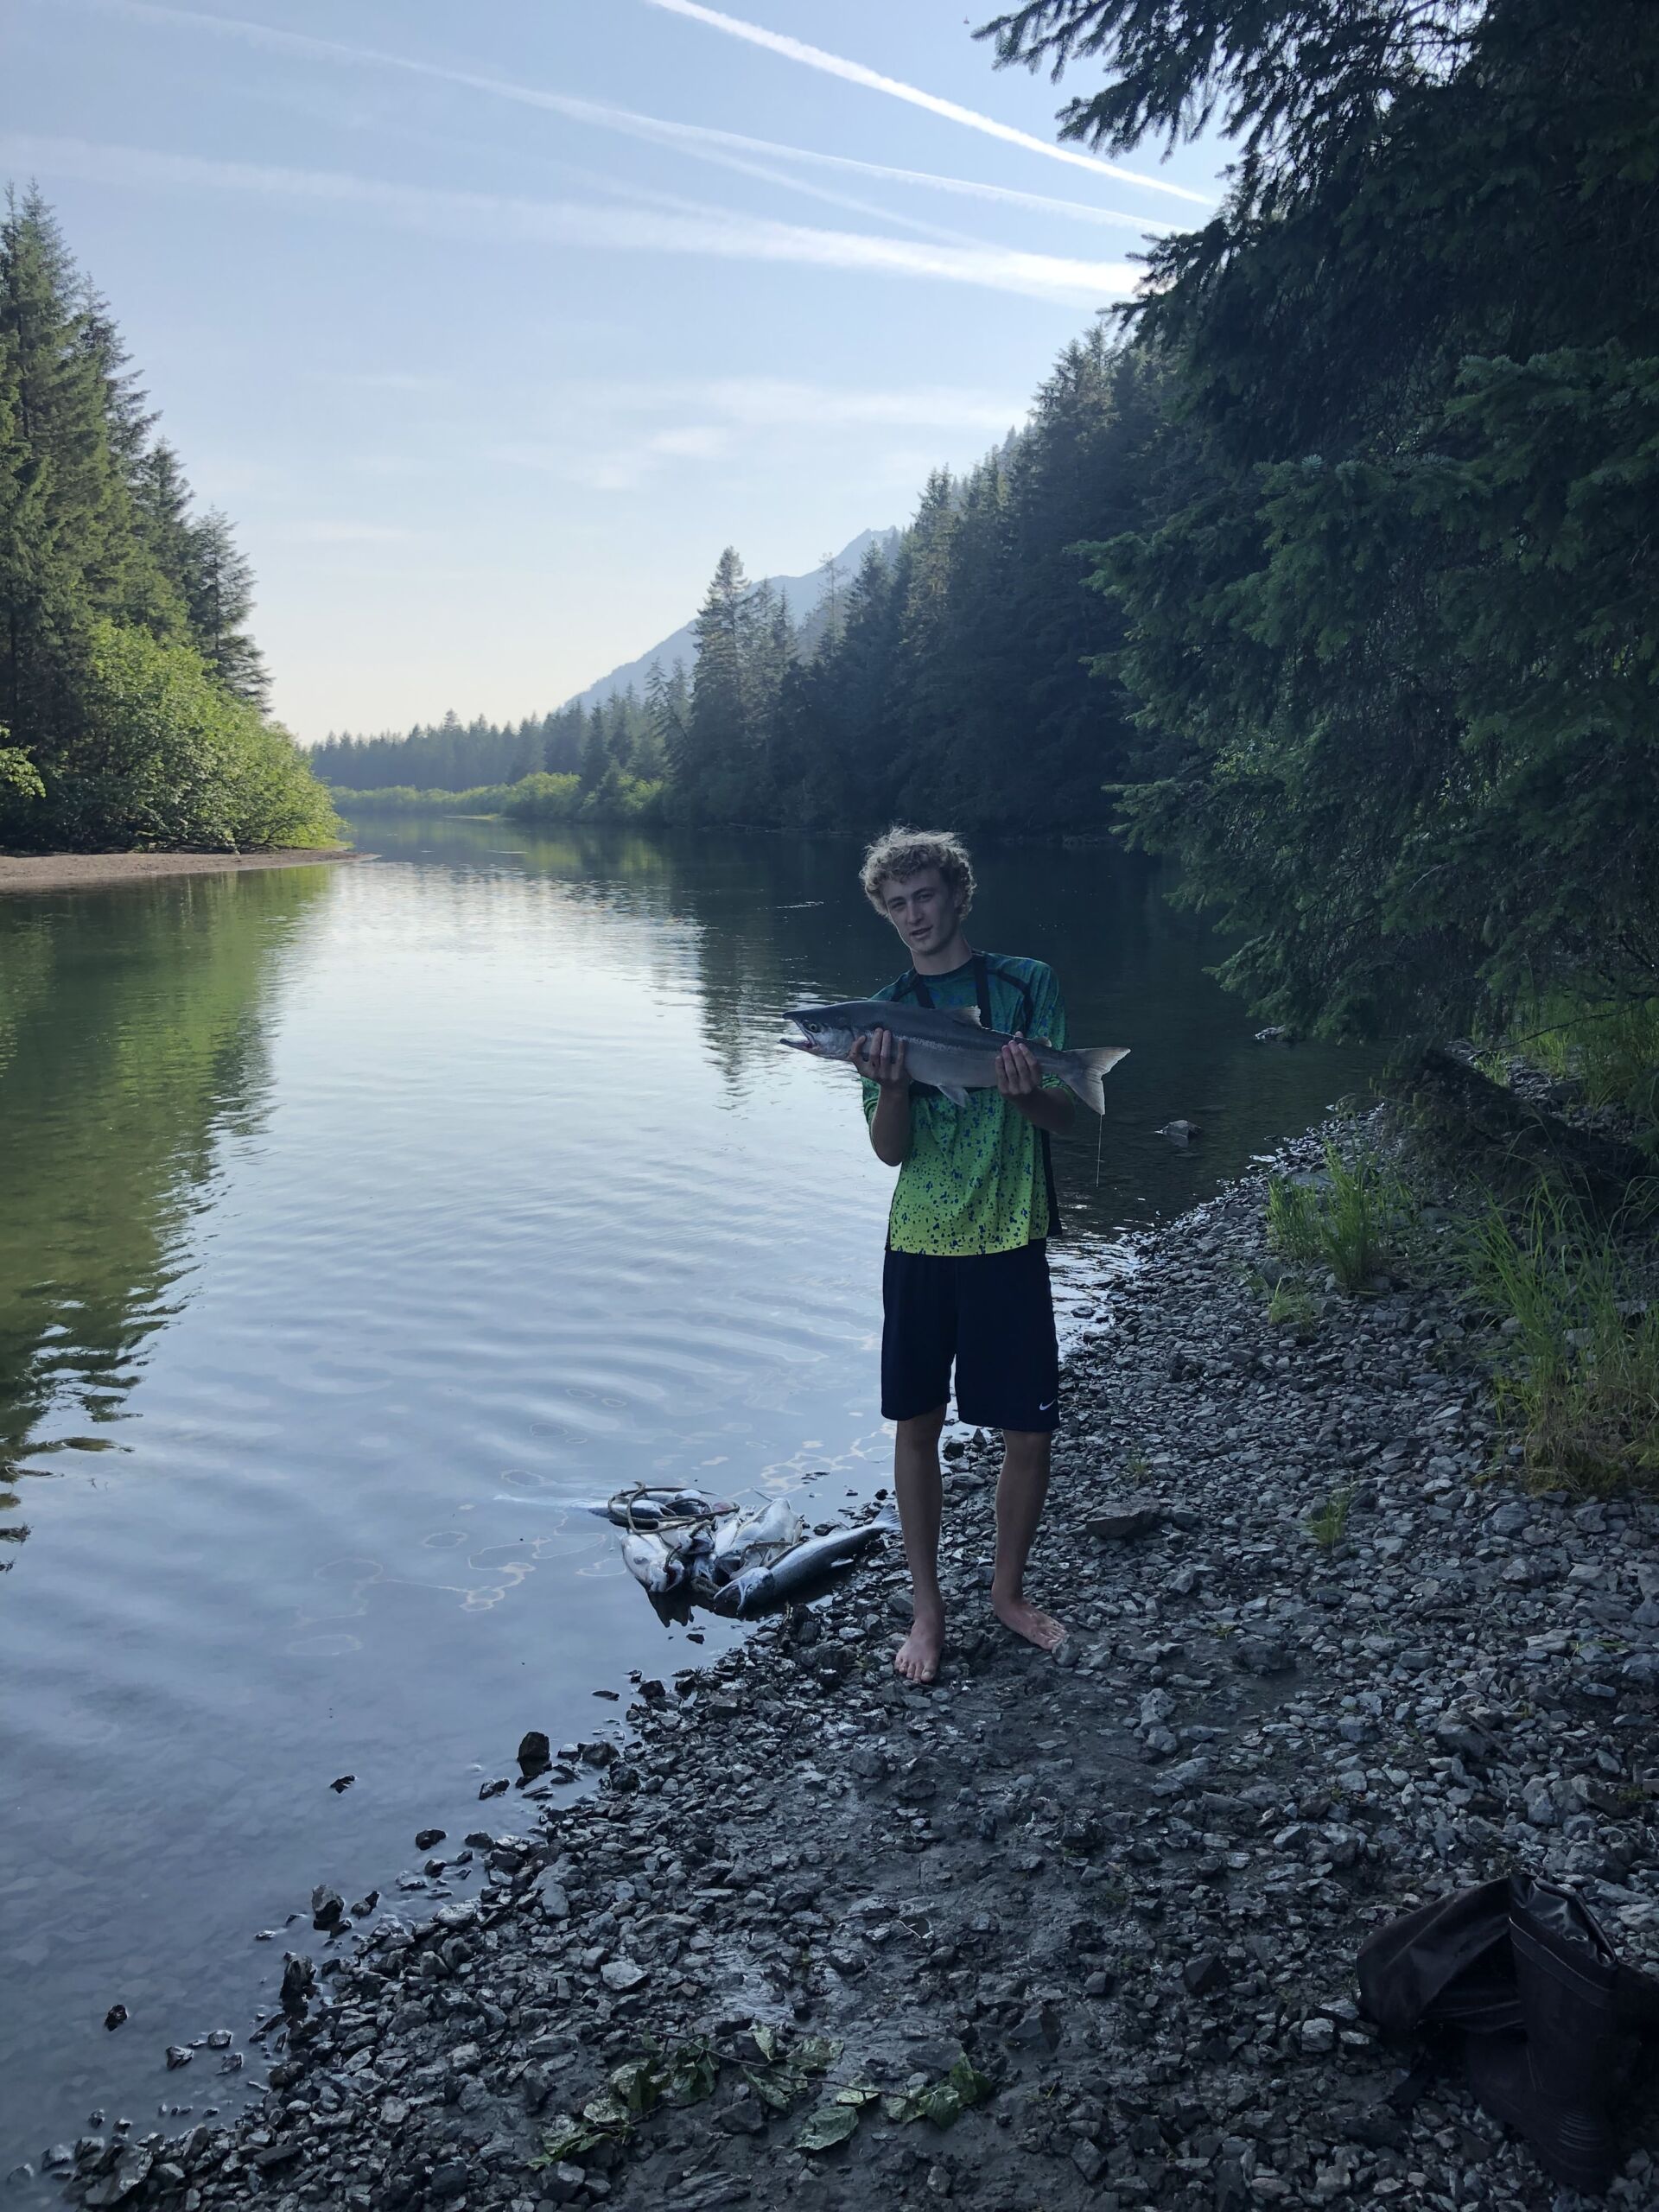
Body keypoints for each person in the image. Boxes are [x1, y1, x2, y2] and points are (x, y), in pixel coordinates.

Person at [850, 826, 1072, 1685]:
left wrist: (1031, 1090)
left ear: (956, 895)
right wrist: (894, 1084)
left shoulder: (1027, 987)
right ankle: (928, 1608)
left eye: (925, 896)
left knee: (1029, 1429)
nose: (913, 914)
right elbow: (889, 1151)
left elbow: (1060, 1115)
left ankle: (1008, 1594)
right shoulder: (883, 1014)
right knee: (917, 1424)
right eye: (896, 903)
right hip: (920, 1242)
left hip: (1010, 1234)